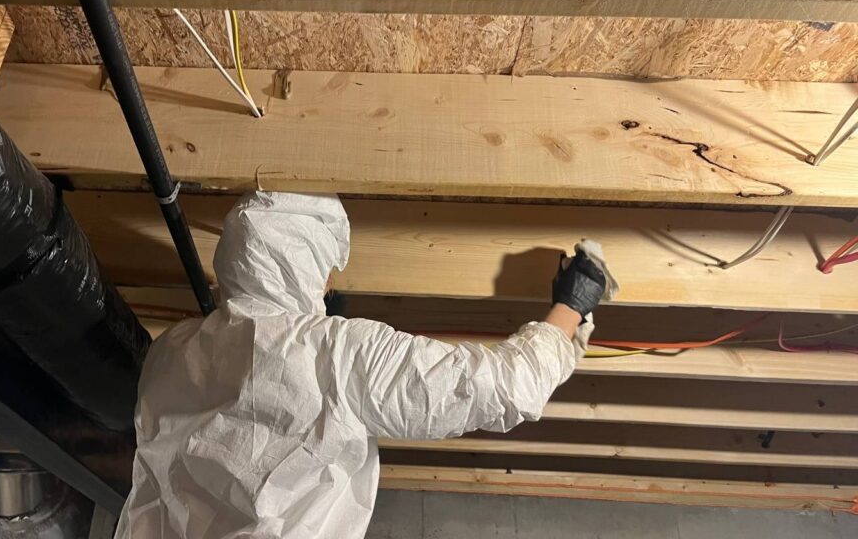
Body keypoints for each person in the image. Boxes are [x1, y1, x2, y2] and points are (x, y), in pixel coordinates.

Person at [115, 191, 610, 539]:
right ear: (310, 262)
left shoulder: (172, 349)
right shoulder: (337, 351)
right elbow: (505, 387)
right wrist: (572, 306)